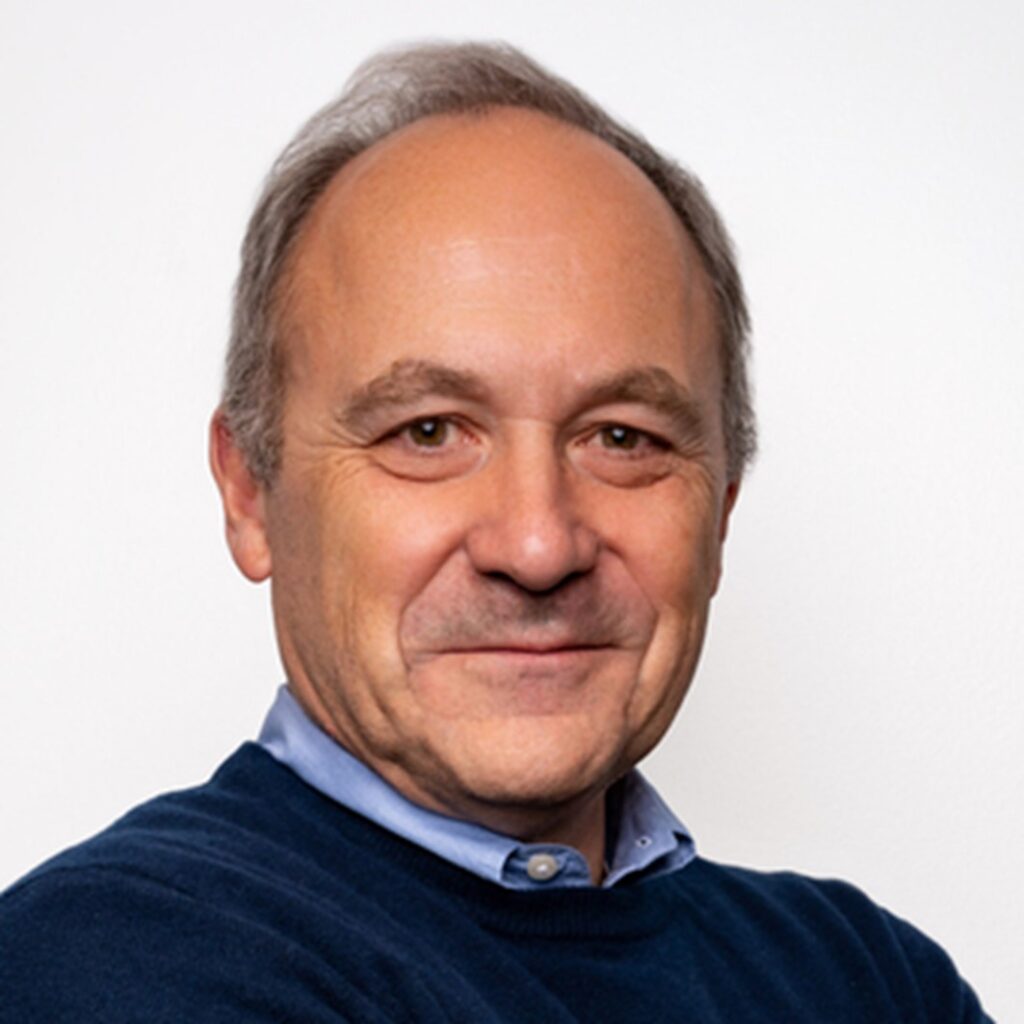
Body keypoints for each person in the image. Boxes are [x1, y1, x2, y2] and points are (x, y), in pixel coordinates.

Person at [0, 41, 991, 1022]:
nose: (537, 545)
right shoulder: (115, 960)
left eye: (622, 436)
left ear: (721, 504)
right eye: (426, 431)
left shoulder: (866, 975)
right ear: (250, 493)